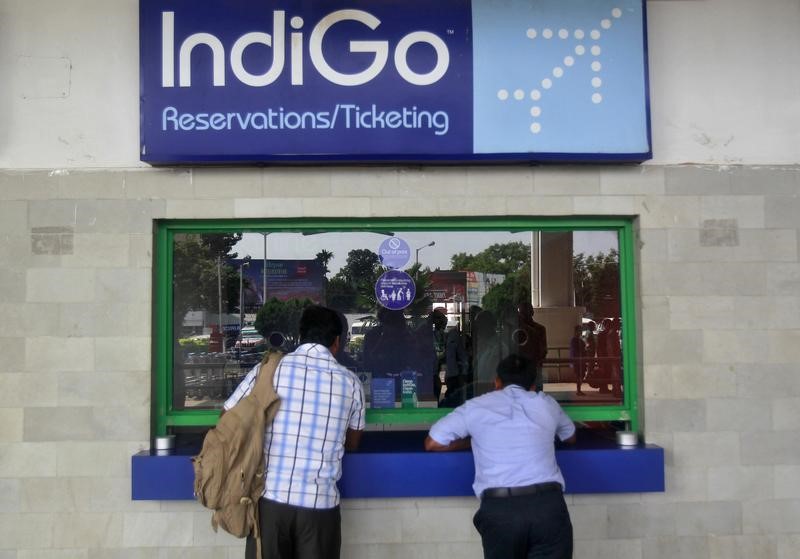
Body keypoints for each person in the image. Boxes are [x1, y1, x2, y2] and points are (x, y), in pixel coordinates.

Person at [223, 305, 366, 559]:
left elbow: (227, 419)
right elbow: (353, 442)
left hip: (270, 504)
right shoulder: (351, 383)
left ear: (300, 337)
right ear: (337, 342)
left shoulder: (268, 370)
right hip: (320, 506)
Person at [425, 353, 576, 559]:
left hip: (501, 511)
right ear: (533, 385)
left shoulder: (477, 406)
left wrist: (473, 440)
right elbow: (570, 437)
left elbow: (433, 442)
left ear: (497, 382)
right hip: (548, 507)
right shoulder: (548, 404)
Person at [516, 301, 548, 391]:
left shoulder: (538, 329)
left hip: (532, 369)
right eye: (522, 313)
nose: (524, 315)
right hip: (529, 369)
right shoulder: (540, 329)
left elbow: (543, 351)